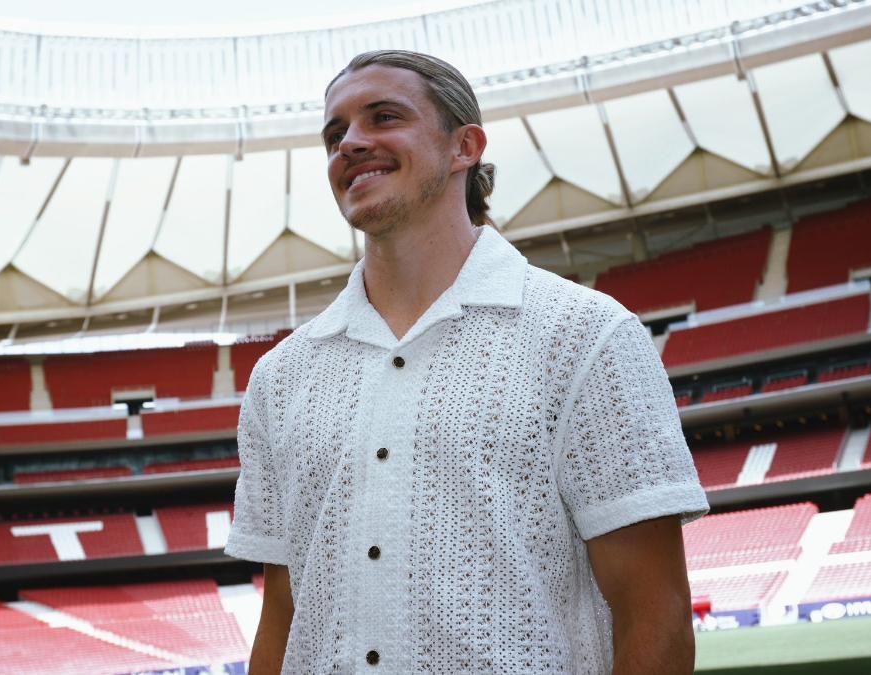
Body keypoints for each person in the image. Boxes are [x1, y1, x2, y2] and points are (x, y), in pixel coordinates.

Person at [224, 49, 708, 674]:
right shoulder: (281, 378)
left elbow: (654, 610)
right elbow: (284, 615)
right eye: (334, 132)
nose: (350, 143)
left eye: (383, 116)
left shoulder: (586, 335)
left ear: (465, 147)